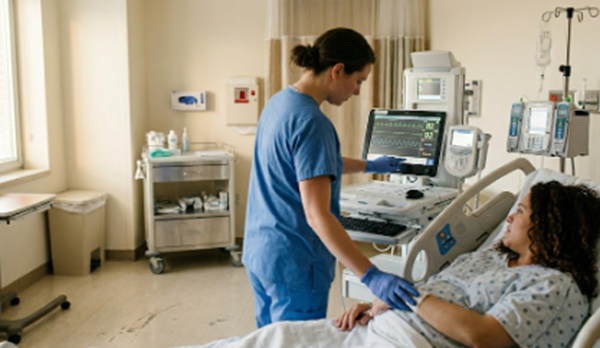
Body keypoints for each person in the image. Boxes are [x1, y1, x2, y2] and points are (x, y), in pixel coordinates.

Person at [193, 180, 600, 348]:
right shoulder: (492, 256)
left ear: (549, 226)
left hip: (411, 342)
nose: (508, 216)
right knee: (273, 337)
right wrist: (374, 305)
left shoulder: (554, 286)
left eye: (521, 211)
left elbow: (482, 335)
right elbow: (441, 296)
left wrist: (407, 297)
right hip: (380, 328)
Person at [242, 27, 417, 328]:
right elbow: (317, 216)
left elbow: (314, 165)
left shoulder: (280, 103)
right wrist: (371, 275)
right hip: (295, 264)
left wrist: (372, 164)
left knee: (269, 338)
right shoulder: (313, 122)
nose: (358, 91)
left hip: (262, 253)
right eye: (358, 81)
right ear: (338, 70)